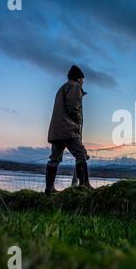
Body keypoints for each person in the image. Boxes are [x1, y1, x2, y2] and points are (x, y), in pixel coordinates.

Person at [45, 65, 93, 195]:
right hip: (68, 128)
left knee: (54, 158)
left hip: (57, 129)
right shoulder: (75, 87)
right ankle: (84, 185)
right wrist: (77, 125)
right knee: (81, 154)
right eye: (82, 79)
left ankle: (49, 188)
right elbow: (74, 108)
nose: (83, 82)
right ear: (78, 78)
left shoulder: (62, 88)